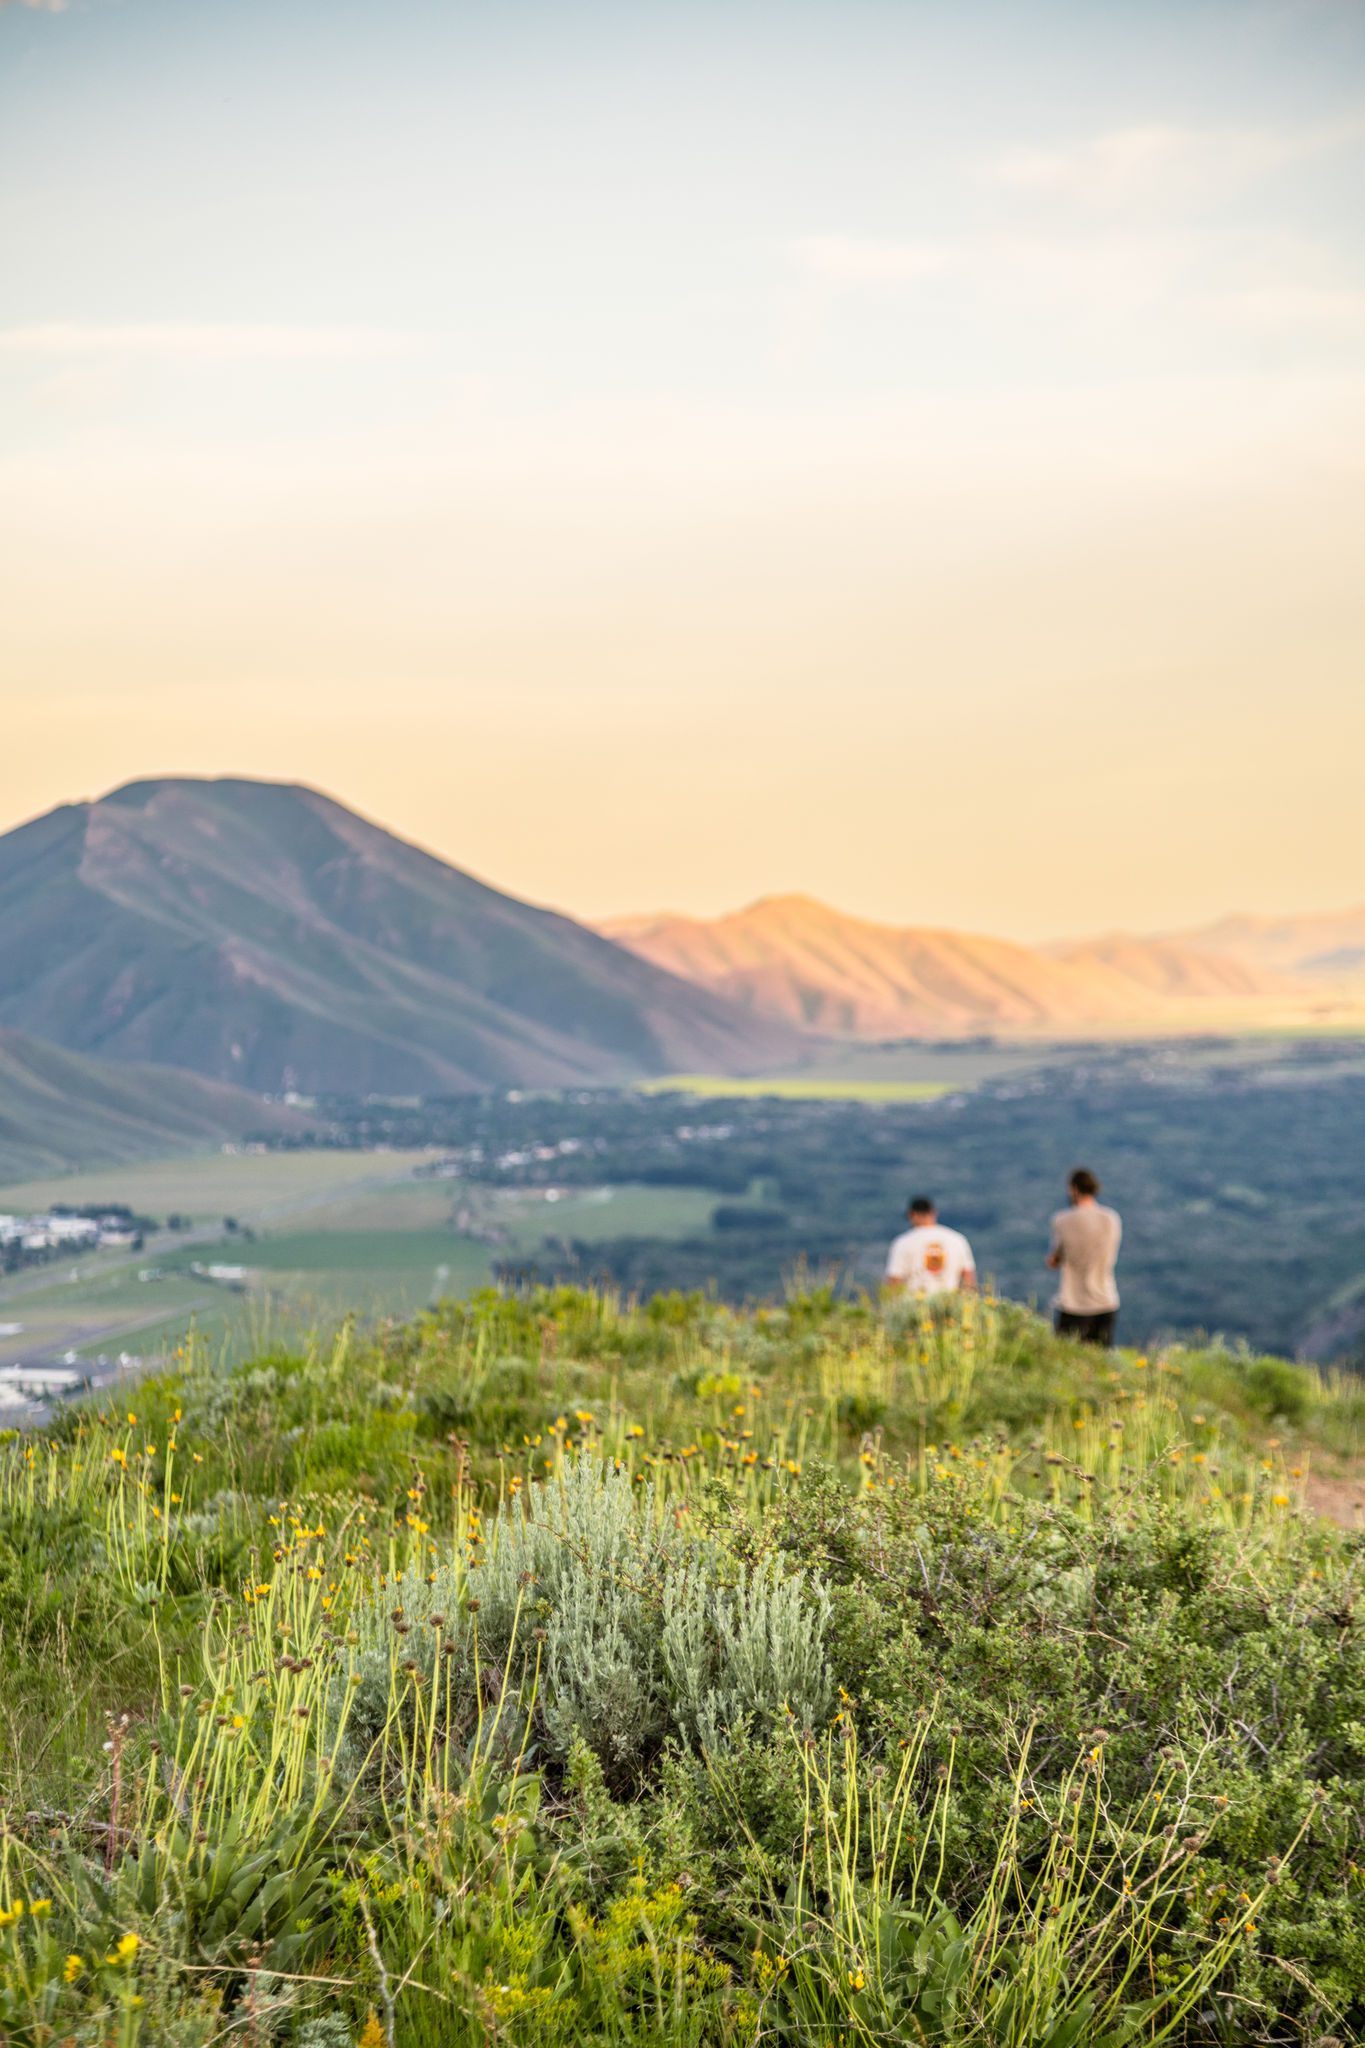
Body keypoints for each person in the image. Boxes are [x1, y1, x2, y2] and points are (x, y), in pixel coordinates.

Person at [1047, 1168, 1121, 1345]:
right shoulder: (1111, 1218)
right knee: (1102, 1362)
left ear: (1074, 1189)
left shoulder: (1061, 1220)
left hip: (1073, 1303)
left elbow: (1056, 1258)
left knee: (1065, 1357)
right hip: (1106, 1299)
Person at [884, 1197, 977, 1297]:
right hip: (950, 1304)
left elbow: (894, 1281)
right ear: (934, 1213)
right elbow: (969, 1279)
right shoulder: (958, 1240)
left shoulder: (903, 1243)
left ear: (912, 1215)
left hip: (915, 1305)